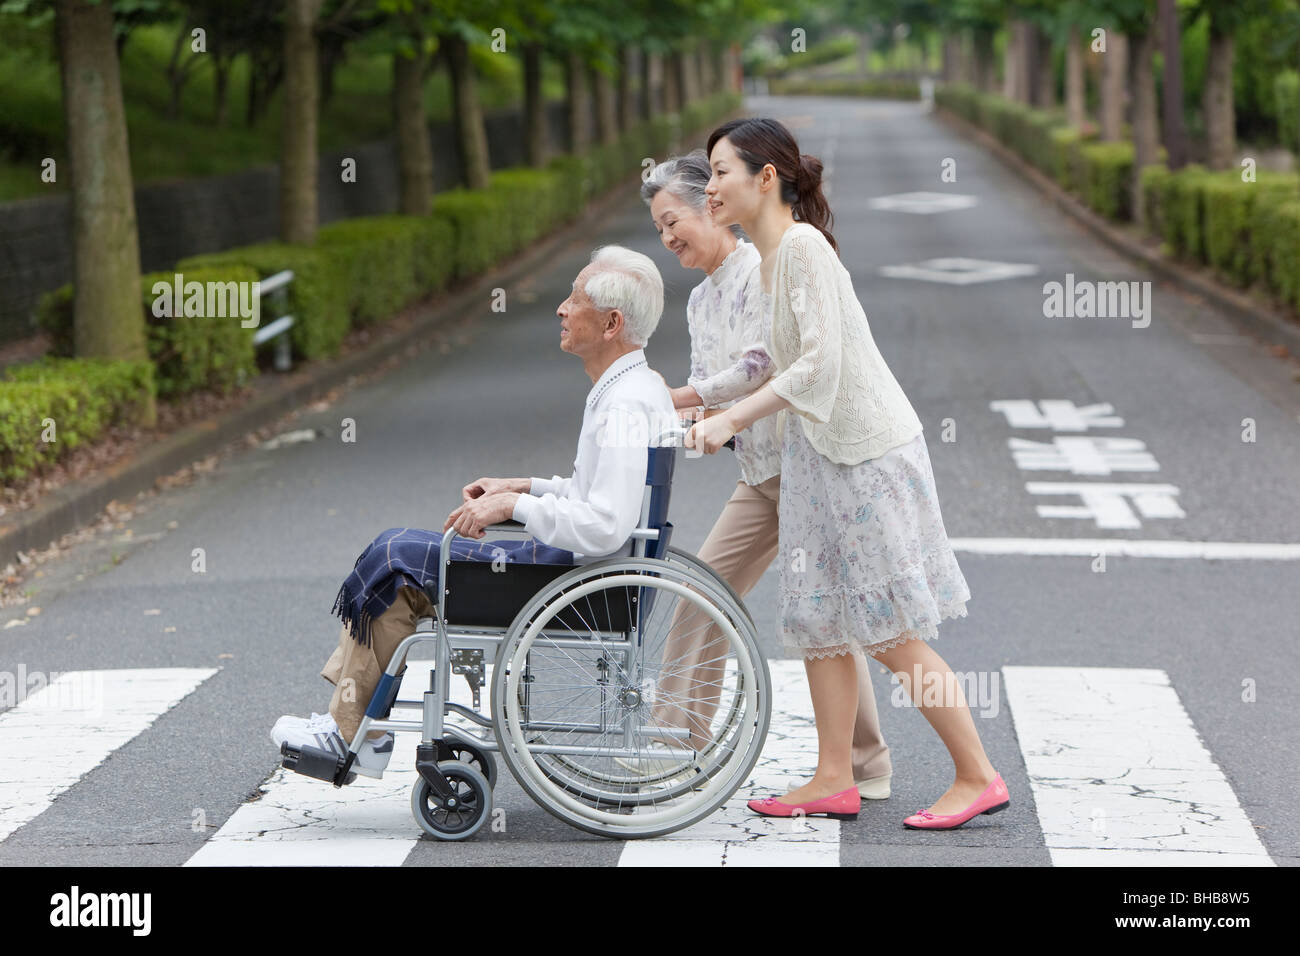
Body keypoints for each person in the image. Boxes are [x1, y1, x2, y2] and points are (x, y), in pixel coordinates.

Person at [687, 118, 1009, 830]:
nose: (708, 187)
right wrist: (695, 399)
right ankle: (835, 776)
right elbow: (769, 362)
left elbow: (821, 365)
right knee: (820, 619)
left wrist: (731, 423)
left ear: (765, 177)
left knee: (888, 628)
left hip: (863, 455)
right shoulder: (773, 259)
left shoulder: (801, 248)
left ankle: (977, 774)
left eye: (718, 171)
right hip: (820, 458)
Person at [272, 245, 677, 778]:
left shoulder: (623, 403)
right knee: (393, 553)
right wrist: (522, 484)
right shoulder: (630, 388)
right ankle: (355, 724)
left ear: (611, 323)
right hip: (580, 571)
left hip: (579, 581)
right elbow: (592, 496)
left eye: (572, 300)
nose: (560, 308)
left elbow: (605, 524)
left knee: (397, 565)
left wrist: (514, 505)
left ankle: (353, 730)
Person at [628, 149, 893, 800]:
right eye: (658, 230)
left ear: (709, 206)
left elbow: (759, 366)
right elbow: (720, 396)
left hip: (805, 464)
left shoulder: (758, 271)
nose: (668, 239)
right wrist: (687, 419)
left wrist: (680, 399)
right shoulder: (699, 301)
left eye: (674, 221)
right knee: (777, 604)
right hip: (766, 470)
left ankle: (678, 741)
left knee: (726, 594)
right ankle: (863, 761)